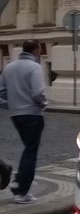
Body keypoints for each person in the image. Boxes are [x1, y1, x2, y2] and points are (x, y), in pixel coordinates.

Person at [0, 40, 48, 204]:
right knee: (31, 151)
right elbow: (38, 93)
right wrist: (44, 104)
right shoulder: (35, 67)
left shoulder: (9, 67)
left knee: (28, 148)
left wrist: (10, 104)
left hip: (16, 115)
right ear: (36, 50)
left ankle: (20, 182)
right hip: (32, 113)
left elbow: (1, 91)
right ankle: (21, 190)